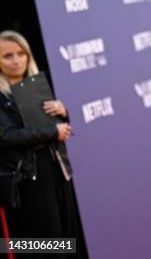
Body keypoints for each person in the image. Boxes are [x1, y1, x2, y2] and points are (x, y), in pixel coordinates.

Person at [0, 31, 88, 259]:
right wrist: (52, 131)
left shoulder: (36, 86)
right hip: (28, 180)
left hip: (57, 170)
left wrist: (63, 113)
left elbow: (58, 129)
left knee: (68, 238)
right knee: (43, 245)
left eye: (21, 54)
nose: (17, 60)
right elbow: (6, 135)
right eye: (7, 56)